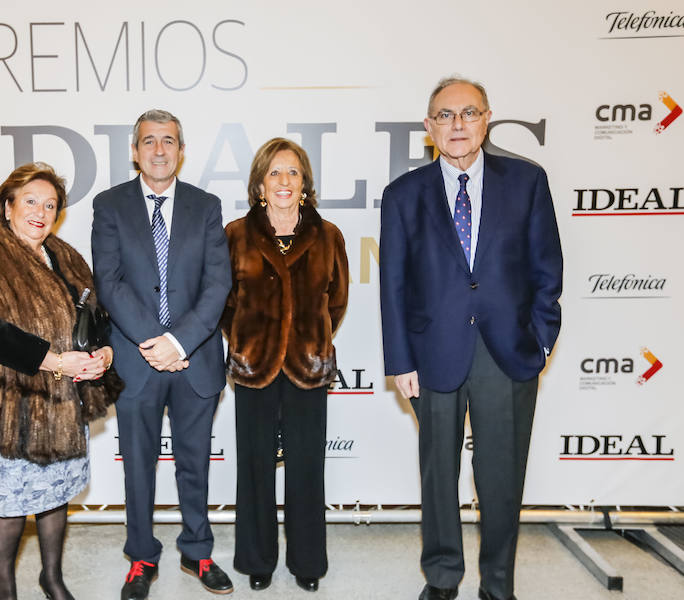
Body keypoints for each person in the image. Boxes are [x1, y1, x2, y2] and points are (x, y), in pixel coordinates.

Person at [379, 77, 563, 600]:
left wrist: (542, 340)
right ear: (427, 127)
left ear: (486, 119)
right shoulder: (403, 195)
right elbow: (393, 285)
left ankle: (499, 583)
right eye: (444, 115)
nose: (457, 125)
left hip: (508, 354)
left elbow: (548, 269)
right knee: (439, 474)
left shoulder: (526, 182)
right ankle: (441, 577)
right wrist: (399, 359)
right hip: (431, 354)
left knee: (501, 477)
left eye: (468, 113)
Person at [0, 162, 117, 600]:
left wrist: (103, 350)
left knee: (54, 493)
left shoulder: (66, 256)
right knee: (6, 503)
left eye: (50, 204)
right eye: (30, 202)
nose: (41, 212)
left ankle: (52, 578)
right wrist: (58, 361)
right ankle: (4, 587)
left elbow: (96, 315)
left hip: (61, 401)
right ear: (7, 206)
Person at [91, 109, 233, 599]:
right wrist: (156, 343)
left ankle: (198, 552)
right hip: (135, 360)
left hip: (196, 361)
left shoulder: (206, 206)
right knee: (138, 465)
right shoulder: (109, 206)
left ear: (181, 149)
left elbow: (218, 284)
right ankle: (141, 559)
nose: (158, 150)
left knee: (194, 463)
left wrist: (179, 342)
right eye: (148, 141)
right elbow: (108, 282)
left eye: (168, 140)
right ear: (134, 151)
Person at [221, 138, 348, 593]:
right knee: (254, 467)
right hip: (254, 366)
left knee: (306, 468)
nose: (284, 181)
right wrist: (250, 341)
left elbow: (336, 302)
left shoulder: (328, 235)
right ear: (259, 184)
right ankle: (257, 559)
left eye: (293, 172)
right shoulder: (235, 234)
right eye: (274, 172)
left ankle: (308, 563)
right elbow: (225, 303)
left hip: (308, 367)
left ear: (305, 184)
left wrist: (308, 339)